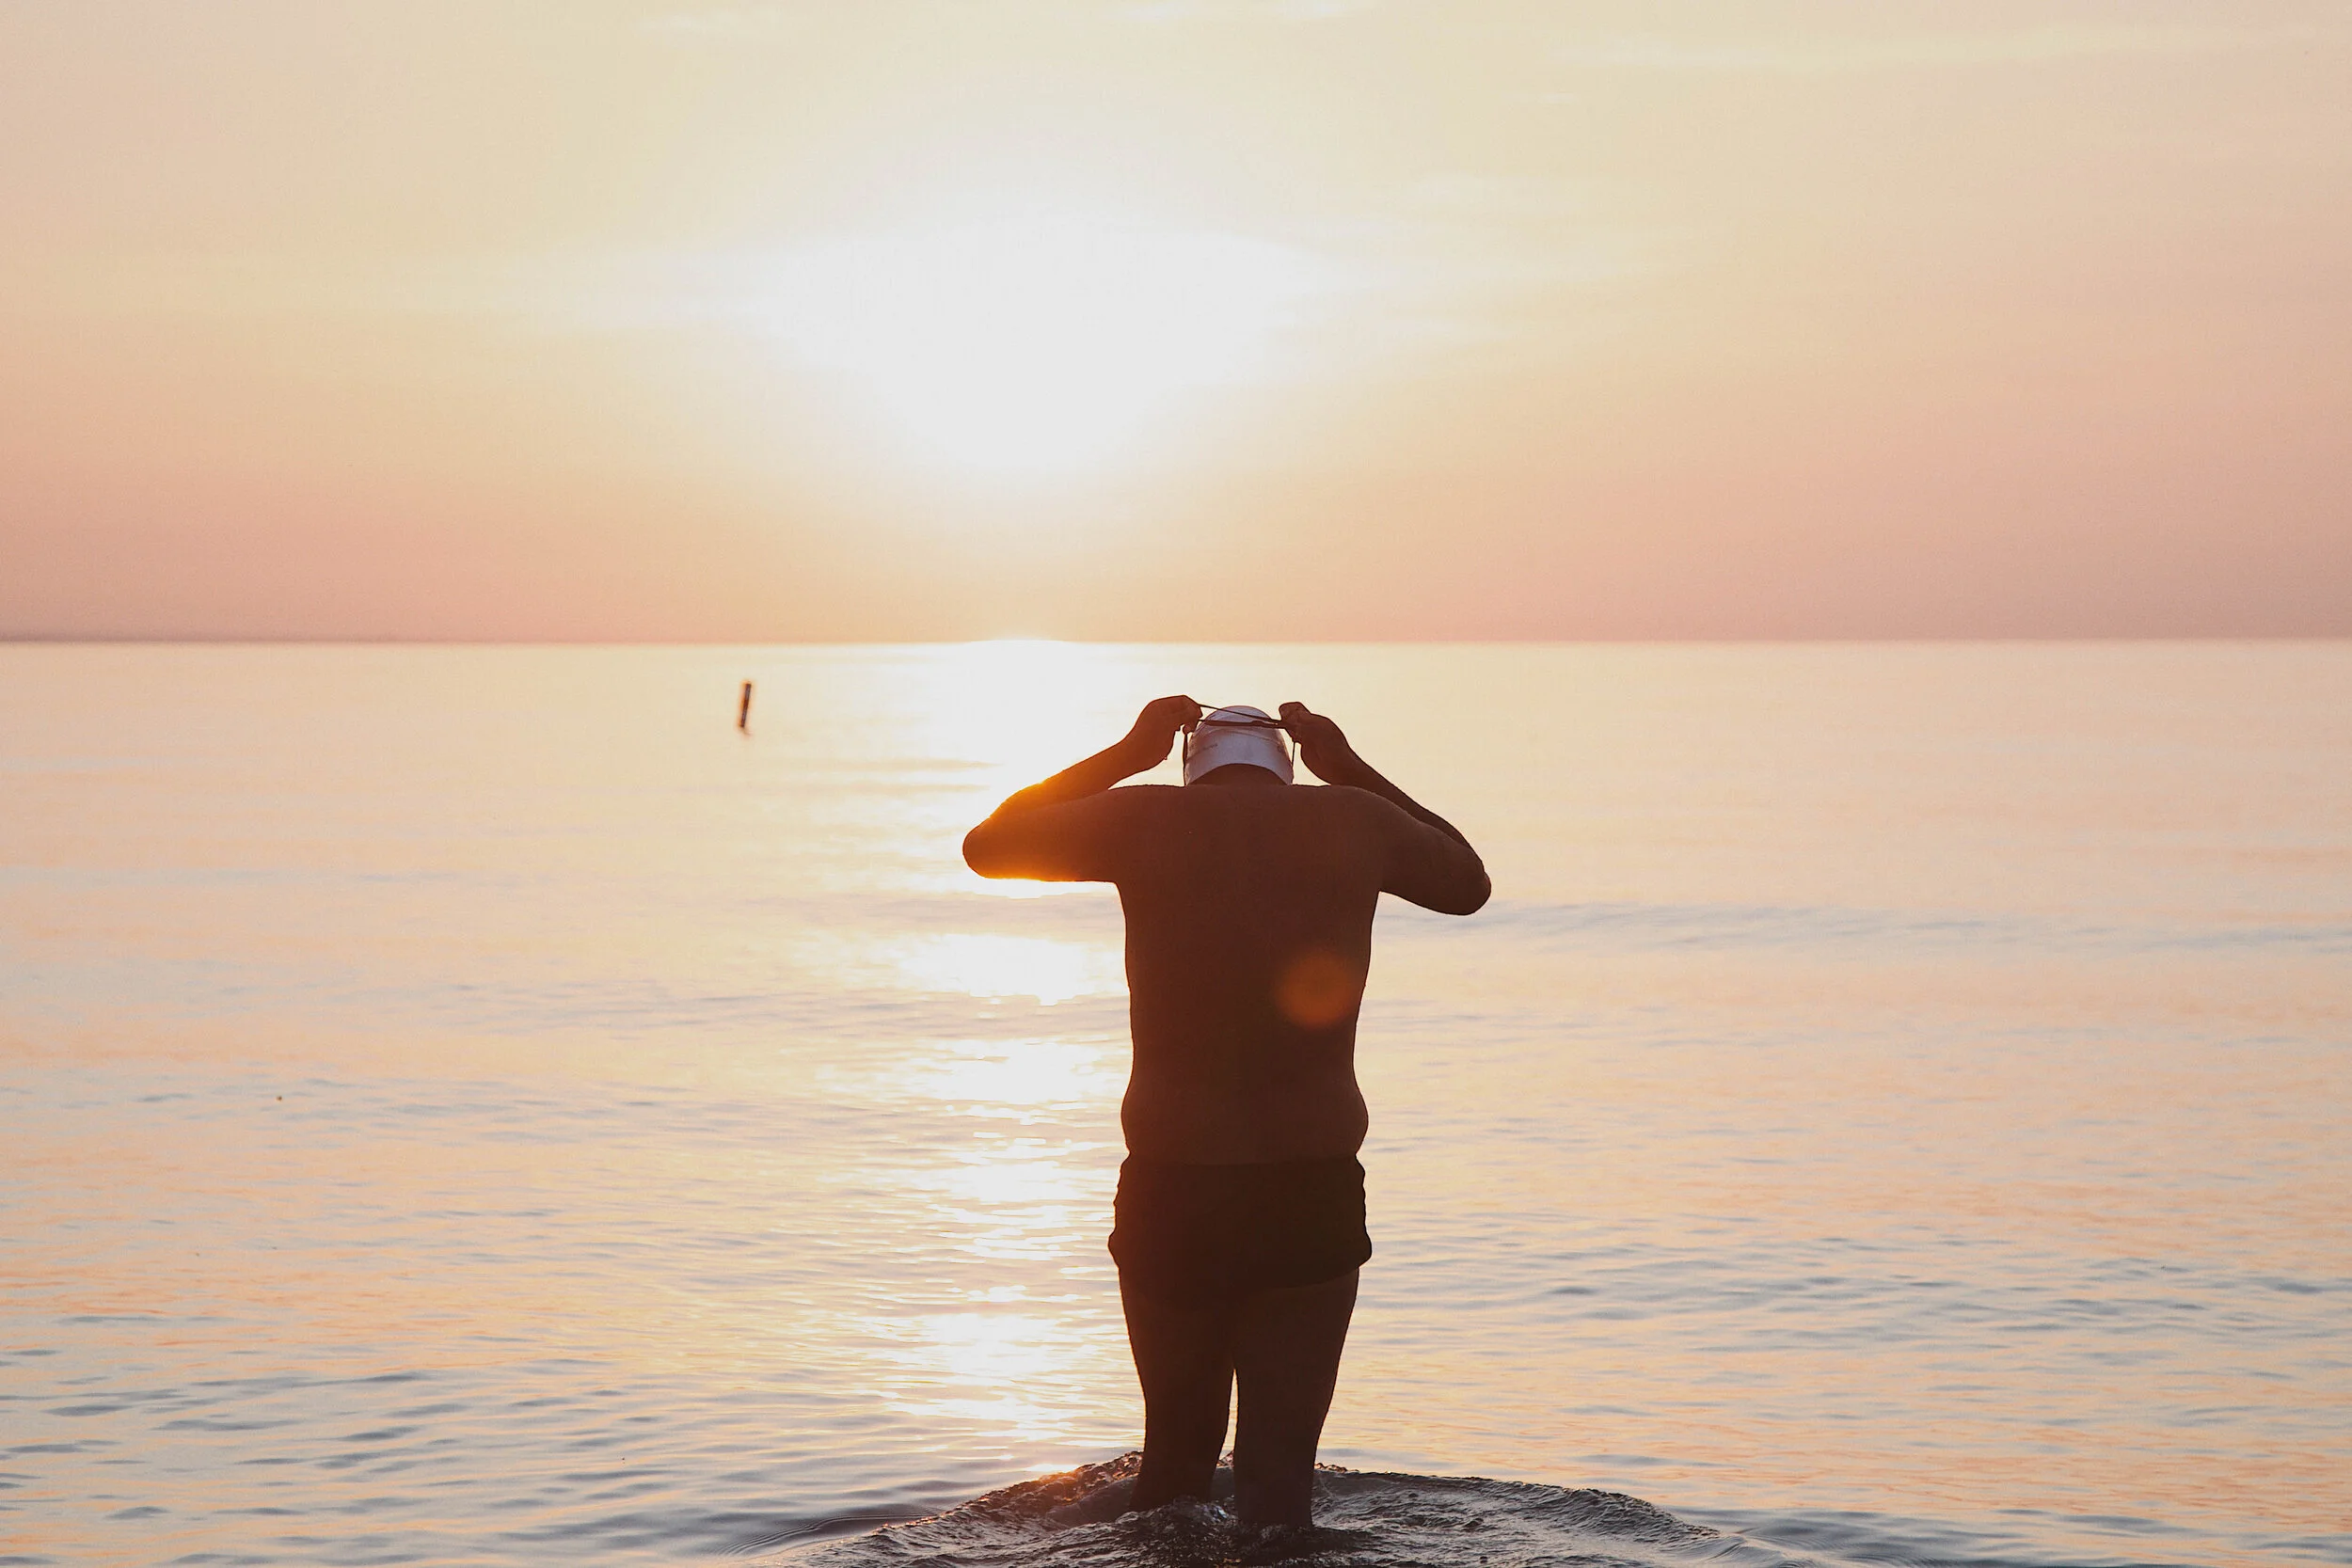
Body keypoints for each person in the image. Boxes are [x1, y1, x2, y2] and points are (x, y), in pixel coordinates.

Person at [961, 696, 1489, 1526]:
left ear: (1189, 763)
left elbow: (986, 846)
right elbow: (1469, 881)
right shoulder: (1354, 819)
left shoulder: (1141, 819)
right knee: (1279, 1483)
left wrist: (1125, 752)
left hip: (1175, 1182)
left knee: (1172, 1466)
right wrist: (1352, 768)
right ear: (1287, 764)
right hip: (1305, 1183)